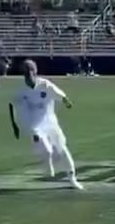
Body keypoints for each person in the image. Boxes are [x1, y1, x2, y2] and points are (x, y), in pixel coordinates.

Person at [8, 59, 82, 189]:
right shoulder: (21, 91)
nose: (28, 76)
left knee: (62, 149)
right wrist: (14, 124)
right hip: (34, 124)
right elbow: (11, 105)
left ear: (35, 72)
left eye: (30, 72)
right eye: (26, 73)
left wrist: (66, 101)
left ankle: (72, 179)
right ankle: (47, 167)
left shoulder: (45, 85)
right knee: (46, 149)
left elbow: (59, 94)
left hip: (50, 122)